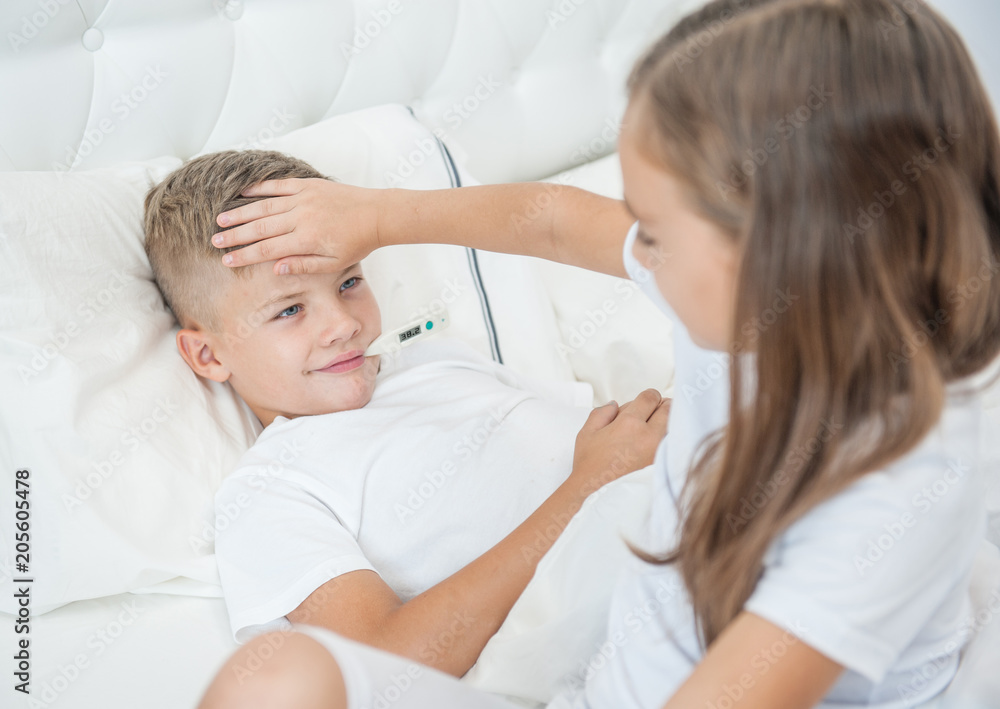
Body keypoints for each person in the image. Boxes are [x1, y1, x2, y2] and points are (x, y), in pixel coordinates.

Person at [197, 0, 1000, 707]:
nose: (634, 254)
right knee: (268, 676)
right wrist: (373, 217)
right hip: (610, 677)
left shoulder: (897, 481)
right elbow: (550, 219)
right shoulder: (738, 308)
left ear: (776, 243)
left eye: (651, 228)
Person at [143, 150, 669, 678]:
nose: (343, 324)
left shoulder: (431, 359)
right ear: (209, 355)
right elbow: (389, 660)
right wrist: (588, 487)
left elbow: (589, 433)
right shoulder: (268, 492)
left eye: (349, 282)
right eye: (289, 309)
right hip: (642, 612)